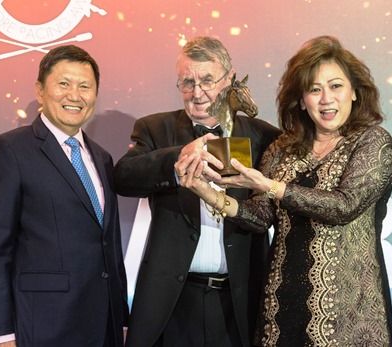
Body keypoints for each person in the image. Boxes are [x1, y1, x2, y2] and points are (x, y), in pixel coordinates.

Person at [177, 35, 392, 346]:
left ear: (355, 93)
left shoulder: (372, 142)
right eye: (314, 89)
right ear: (301, 100)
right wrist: (206, 191)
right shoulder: (283, 147)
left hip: (349, 315)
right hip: (280, 312)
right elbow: (258, 216)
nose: (326, 99)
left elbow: (343, 207)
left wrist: (270, 185)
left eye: (335, 86)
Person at [114, 36, 280, 347]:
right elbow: (123, 178)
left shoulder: (263, 137)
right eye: (187, 82)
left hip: (241, 300)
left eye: (206, 80)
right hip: (173, 302)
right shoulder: (155, 129)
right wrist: (177, 159)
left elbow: (271, 212)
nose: (197, 92)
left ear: (229, 79)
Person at [0, 45, 128, 347]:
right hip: (43, 324)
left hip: (104, 326)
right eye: (64, 84)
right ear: (40, 91)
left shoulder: (102, 158)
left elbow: (108, 245)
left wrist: (121, 319)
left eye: (85, 86)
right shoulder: (11, 151)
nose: (75, 95)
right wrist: (1, 333)